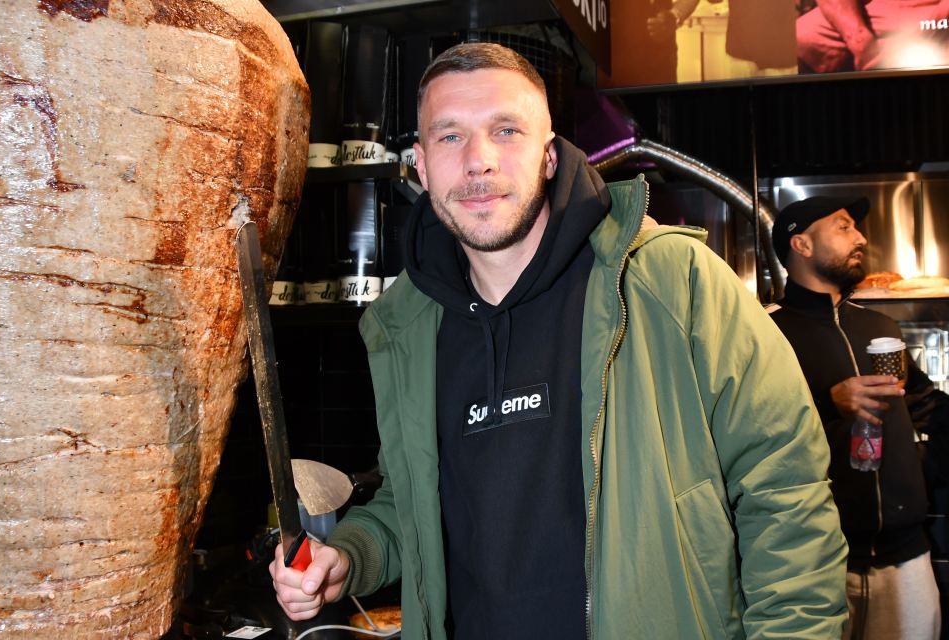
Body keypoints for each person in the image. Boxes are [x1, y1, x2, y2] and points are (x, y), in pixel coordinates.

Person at [270, 42, 848, 638]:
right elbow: (411, 501)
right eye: (449, 137)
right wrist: (351, 555)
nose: (478, 161)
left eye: (506, 130)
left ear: (549, 156)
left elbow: (786, 494)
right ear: (419, 164)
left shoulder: (671, 282)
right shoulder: (407, 328)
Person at [768, 196, 945, 639]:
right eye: (844, 226)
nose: (861, 237)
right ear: (802, 244)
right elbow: (751, 435)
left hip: (906, 557)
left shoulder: (882, 327)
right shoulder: (766, 332)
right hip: (818, 560)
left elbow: (924, 404)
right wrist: (829, 403)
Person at [796, 0, 949, 74]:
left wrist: (935, 24)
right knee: (804, 36)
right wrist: (860, 39)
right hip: (877, 10)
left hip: (936, 12)